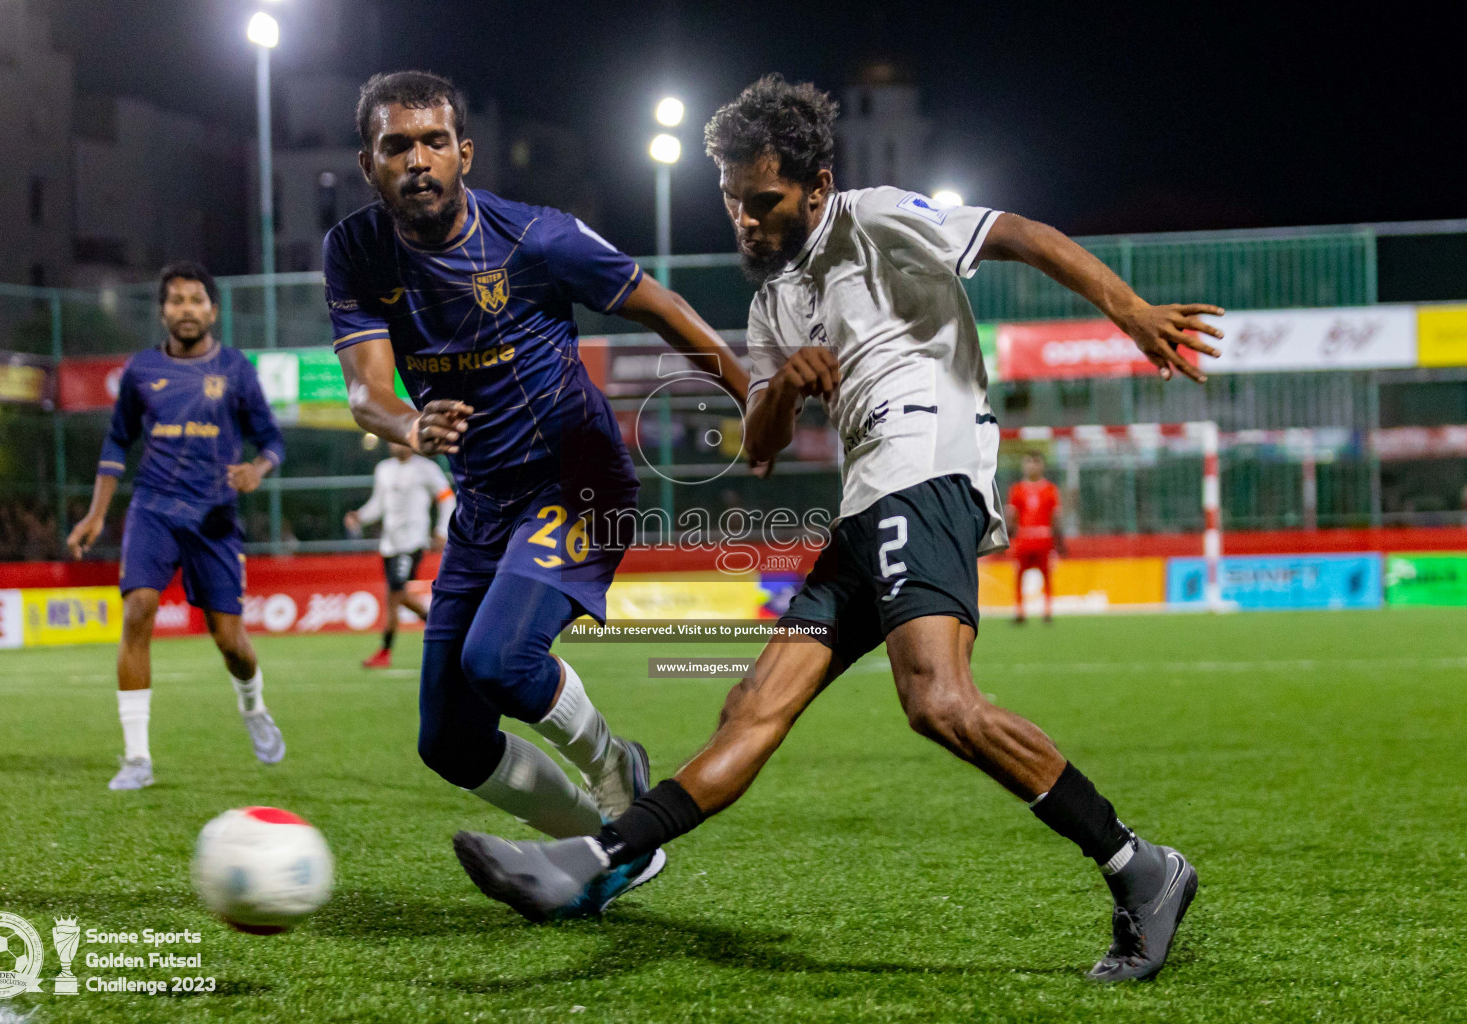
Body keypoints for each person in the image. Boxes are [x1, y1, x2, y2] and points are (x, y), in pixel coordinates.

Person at [451, 75, 1224, 982]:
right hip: (866, 510)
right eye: (733, 199)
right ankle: (596, 859)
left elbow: (1018, 232)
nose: (743, 218)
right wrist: (780, 385)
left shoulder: (877, 219)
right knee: (753, 707)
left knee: (937, 700)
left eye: (763, 200)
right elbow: (767, 448)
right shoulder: (775, 300)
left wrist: (1129, 311)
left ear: (817, 186)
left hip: (927, 478)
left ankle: (1141, 868)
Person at [327, 71, 754, 914]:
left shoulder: (535, 238)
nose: (418, 160)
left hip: (577, 479)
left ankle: (612, 769)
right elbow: (364, 389)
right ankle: (604, 858)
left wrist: (753, 397)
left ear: (464, 153)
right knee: (449, 741)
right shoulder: (357, 250)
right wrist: (408, 425)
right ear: (369, 165)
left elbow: (661, 307)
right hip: (485, 506)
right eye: (397, 146)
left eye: (434, 142)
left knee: (501, 661)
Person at [67, 263, 287, 791]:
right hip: (154, 508)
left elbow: (272, 440)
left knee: (230, 641)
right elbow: (118, 441)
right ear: (163, 310)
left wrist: (256, 470)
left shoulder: (235, 369)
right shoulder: (141, 370)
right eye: (176, 300)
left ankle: (253, 707)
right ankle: (137, 757)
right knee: (138, 608)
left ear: (212, 309)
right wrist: (97, 513)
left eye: (196, 300)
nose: (186, 309)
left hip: (214, 516)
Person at [345, 441, 457, 668]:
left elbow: (447, 498)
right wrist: (360, 516)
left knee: (396, 593)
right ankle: (439, 624)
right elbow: (378, 504)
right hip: (389, 544)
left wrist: (441, 530)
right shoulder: (384, 468)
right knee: (395, 595)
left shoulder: (426, 468)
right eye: (393, 442)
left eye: (402, 441)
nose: (397, 446)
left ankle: (386, 650)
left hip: (412, 542)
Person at [1006, 452, 1065, 624]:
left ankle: (1047, 610)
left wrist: (1059, 541)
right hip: (1024, 538)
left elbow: (1055, 516)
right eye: (1029, 463)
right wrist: (1009, 537)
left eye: (1036, 463)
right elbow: (1012, 515)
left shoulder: (1050, 489)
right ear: (1024, 466)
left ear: (1042, 466)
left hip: (1044, 538)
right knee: (1019, 575)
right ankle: (1019, 611)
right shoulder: (1016, 489)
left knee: (1047, 575)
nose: (1032, 466)